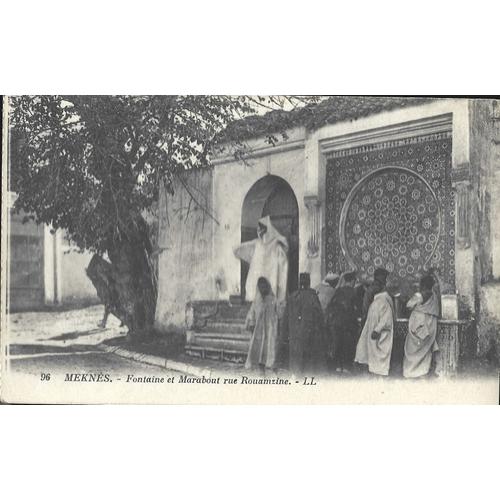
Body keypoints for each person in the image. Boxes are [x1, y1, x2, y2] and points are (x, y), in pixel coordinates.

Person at [233, 215, 288, 312]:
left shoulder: (275, 245)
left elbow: (283, 262)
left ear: (266, 230)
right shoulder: (257, 243)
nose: (259, 232)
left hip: (270, 277)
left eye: (261, 229)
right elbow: (241, 248)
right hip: (257, 276)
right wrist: (236, 249)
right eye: (258, 230)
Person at [282, 273, 326, 375]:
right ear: (309, 282)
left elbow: (285, 319)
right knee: (308, 367)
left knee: (296, 366)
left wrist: (285, 335)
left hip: (295, 338)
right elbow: (319, 317)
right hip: (309, 337)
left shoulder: (293, 296)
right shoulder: (313, 297)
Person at [355, 272, 395, 376]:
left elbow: (385, 318)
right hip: (372, 323)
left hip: (374, 325)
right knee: (373, 350)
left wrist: (375, 328)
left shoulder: (380, 298)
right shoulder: (376, 295)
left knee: (373, 351)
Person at [403, 275, 440, 378]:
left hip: (420, 325)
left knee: (413, 350)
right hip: (431, 325)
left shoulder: (419, 295)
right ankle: (422, 372)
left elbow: (408, 305)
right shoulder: (434, 296)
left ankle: (410, 373)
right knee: (424, 351)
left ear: (422, 285)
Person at [325, 271, 359, 373]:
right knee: (348, 345)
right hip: (349, 324)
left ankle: (338, 366)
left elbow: (331, 306)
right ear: (352, 281)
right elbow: (356, 309)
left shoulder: (338, 291)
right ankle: (346, 367)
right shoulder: (354, 292)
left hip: (337, 323)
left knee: (339, 344)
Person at [244, 277, 280, 372]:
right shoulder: (257, 300)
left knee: (269, 350)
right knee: (259, 350)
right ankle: (261, 371)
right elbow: (251, 313)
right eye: (261, 286)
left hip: (270, 330)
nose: (263, 288)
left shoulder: (273, 299)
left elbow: (279, 313)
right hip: (259, 331)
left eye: (264, 286)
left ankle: (272, 369)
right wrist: (251, 321)